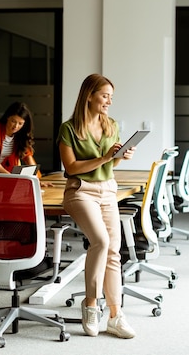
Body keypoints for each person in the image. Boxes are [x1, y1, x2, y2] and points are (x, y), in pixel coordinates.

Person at [57, 73, 137, 339]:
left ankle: (115, 315)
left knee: (114, 251)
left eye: (111, 97)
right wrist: (104, 157)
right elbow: (71, 168)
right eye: (105, 96)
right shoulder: (68, 129)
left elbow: (110, 164)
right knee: (101, 242)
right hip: (80, 191)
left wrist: (119, 157)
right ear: (89, 95)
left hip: (107, 190)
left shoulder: (111, 125)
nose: (109, 102)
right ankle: (91, 304)